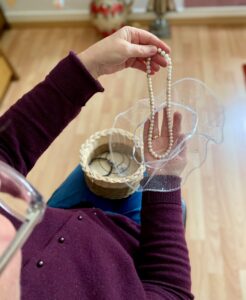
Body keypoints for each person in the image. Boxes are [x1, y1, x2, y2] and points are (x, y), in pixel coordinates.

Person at [0, 26, 193, 299]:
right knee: (179, 207)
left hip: (66, 216)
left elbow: (5, 150)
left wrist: (90, 66)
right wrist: (163, 179)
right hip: (124, 243)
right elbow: (170, 289)